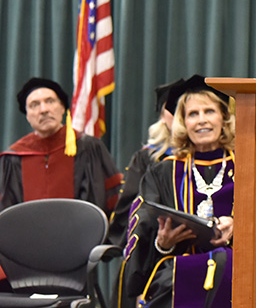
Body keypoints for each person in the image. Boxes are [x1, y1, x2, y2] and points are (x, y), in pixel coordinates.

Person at [119, 75, 235, 308]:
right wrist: (163, 243)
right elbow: (143, 228)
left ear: (223, 117)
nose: (202, 120)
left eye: (209, 111)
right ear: (183, 122)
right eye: (193, 114)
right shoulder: (163, 172)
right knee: (170, 282)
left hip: (239, 262)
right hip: (178, 265)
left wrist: (239, 224)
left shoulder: (249, 165)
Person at [0, 77, 122, 212]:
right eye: (34, 105)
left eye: (50, 101)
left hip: (81, 232)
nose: (43, 110)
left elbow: (110, 200)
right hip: (28, 232)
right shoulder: (13, 157)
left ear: (62, 108)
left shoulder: (88, 148)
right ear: (27, 116)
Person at [107, 78, 185, 247]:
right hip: (153, 242)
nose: (181, 116)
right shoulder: (148, 158)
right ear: (163, 117)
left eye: (187, 110)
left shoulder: (218, 158)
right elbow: (131, 208)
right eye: (174, 109)